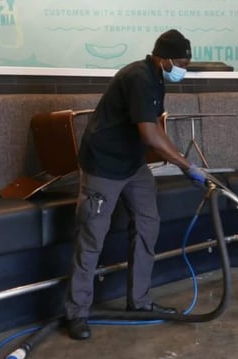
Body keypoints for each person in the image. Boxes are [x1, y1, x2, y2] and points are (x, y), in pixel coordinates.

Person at [64, 29, 206, 340]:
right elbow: (150, 136)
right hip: (103, 164)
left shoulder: (156, 77)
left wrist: (183, 162)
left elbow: (156, 126)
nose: (183, 68)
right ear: (163, 58)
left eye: (187, 62)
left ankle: (139, 303)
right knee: (92, 237)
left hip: (132, 164)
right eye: (180, 62)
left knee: (147, 224)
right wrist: (186, 165)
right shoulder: (138, 78)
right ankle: (76, 312)